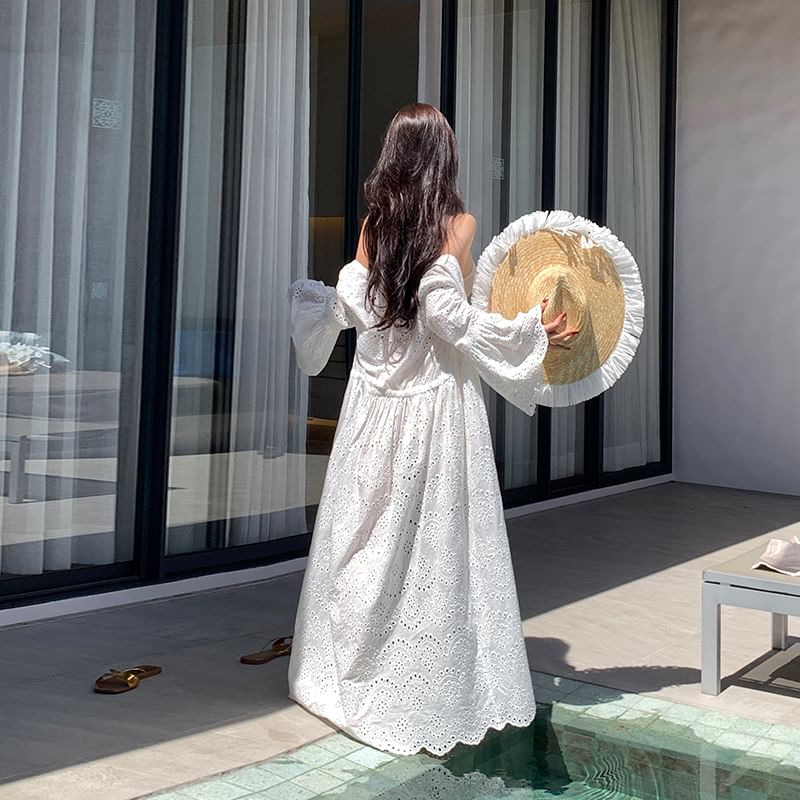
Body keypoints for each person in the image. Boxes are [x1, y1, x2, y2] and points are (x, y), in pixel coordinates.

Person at [287, 103, 577, 756]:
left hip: (372, 408)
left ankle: (347, 666)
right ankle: (420, 679)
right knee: (433, 547)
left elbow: (360, 307)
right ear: (444, 156)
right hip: (435, 407)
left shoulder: (374, 226)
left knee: (364, 537)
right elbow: (451, 319)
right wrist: (530, 331)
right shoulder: (458, 223)